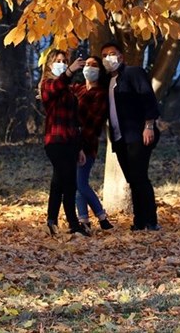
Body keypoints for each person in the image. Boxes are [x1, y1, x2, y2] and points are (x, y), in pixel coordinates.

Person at [100, 41, 161, 231]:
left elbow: (148, 98)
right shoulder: (107, 81)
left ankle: (150, 220)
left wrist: (149, 125)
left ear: (121, 57)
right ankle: (139, 220)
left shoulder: (133, 73)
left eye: (112, 53)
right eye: (105, 55)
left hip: (139, 134)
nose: (109, 58)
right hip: (119, 139)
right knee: (132, 179)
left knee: (140, 177)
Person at [38, 48, 90, 237]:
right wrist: (70, 71)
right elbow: (56, 87)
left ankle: (51, 221)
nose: (61, 63)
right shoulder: (47, 85)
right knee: (69, 183)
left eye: (64, 60)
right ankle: (73, 223)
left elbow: (75, 121)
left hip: (71, 141)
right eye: (57, 60)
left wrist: (80, 148)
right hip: (56, 141)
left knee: (58, 182)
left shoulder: (68, 90)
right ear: (50, 65)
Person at [71, 55, 113, 231]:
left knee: (81, 183)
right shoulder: (78, 89)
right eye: (86, 64)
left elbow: (93, 123)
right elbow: (58, 88)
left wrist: (80, 144)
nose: (89, 67)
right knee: (76, 183)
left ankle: (102, 217)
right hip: (72, 141)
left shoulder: (101, 94)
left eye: (93, 65)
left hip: (87, 143)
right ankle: (84, 221)